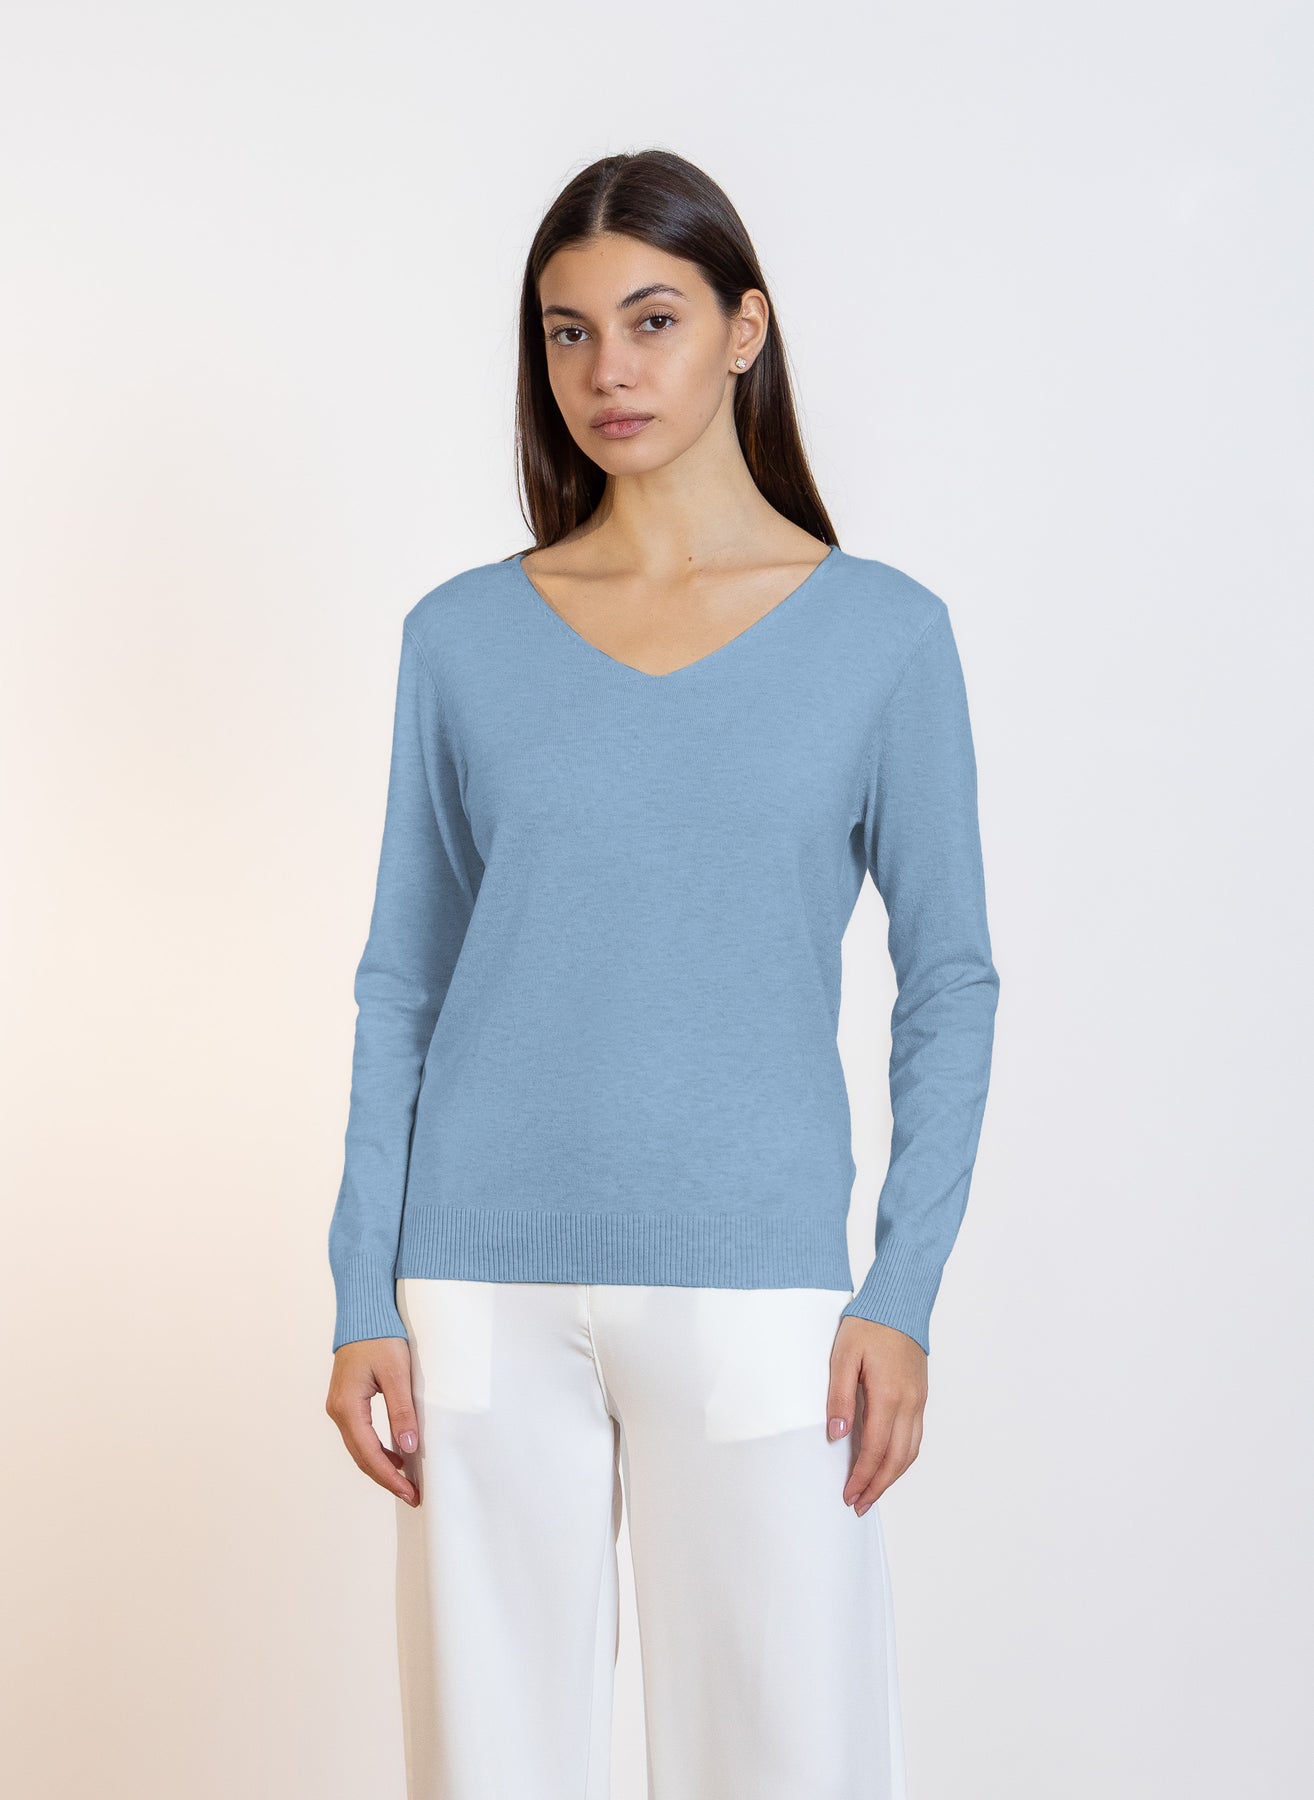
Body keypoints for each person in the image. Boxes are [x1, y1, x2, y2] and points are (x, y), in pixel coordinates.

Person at [324, 147, 999, 1800]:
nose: (605, 371)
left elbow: (951, 980)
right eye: (566, 332)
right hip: (477, 1286)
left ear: (742, 330)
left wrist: (900, 1292)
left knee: (787, 1760)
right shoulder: (461, 639)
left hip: (758, 1283)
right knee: (487, 1769)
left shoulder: (880, 637)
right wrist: (359, 1291)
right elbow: (403, 981)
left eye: (651, 320)